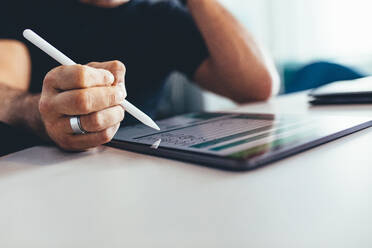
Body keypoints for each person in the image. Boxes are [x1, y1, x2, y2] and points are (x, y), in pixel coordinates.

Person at [0, 0, 279, 154]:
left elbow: (257, 86)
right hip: (39, 178)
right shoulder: (21, 7)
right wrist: (45, 112)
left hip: (142, 172)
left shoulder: (161, 15)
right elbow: (5, 93)